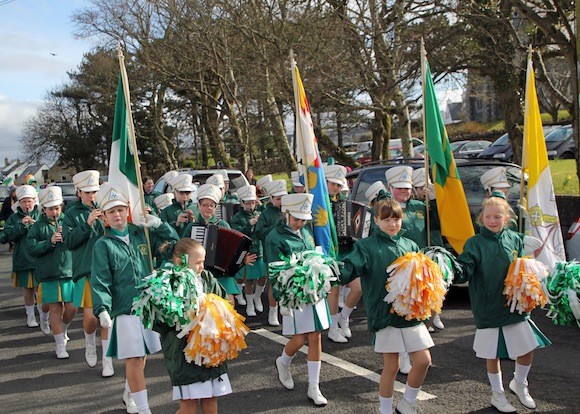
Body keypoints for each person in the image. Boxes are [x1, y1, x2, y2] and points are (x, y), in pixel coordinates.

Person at [455, 194, 550, 413]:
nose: (492, 220)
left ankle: (520, 383)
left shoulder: (515, 239)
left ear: (506, 218)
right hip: (488, 305)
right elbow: (465, 269)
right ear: (482, 218)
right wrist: (452, 270)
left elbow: (527, 267)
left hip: (514, 305)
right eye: (488, 216)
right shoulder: (474, 243)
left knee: (527, 346)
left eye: (497, 216)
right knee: (492, 352)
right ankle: (497, 394)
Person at [91, 183, 179, 414]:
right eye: (112, 212)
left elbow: (173, 249)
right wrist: (102, 308)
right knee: (134, 358)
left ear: (127, 210)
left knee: (142, 357)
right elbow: (100, 278)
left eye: (120, 209)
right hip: (125, 308)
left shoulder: (142, 233)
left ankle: (130, 391)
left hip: (148, 306)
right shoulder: (103, 244)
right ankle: (144, 408)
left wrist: (161, 225)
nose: (117, 215)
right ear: (105, 217)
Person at [340, 198, 433, 414]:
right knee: (392, 367)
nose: (392, 224)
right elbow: (350, 268)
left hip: (411, 315)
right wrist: (334, 271)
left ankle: (407, 402)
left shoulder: (410, 245)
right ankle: (385, 410)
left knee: (423, 360)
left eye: (396, 219)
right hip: (384, 314)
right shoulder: (366, 246)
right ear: (375, 221)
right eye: (387, 220)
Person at [266, 193, 330, 406]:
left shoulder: (307, 231)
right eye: (296, 219)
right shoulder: (274, 237)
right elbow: (275, 270)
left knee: (316, 336)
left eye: (303, 220)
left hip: (314, 290)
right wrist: (281, 295)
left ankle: (314, 386)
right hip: (294, 293)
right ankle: (283, 361)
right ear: (286, 214)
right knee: (300, 338)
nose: (300, 223)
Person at [155, 238, 231, 414]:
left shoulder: (206, 277)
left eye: (203, 261)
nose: (202, 267)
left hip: (209, 353)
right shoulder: (168, 282)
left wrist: (215, 309)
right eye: (198, 263)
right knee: (189, 407)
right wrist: (187, 316)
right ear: (181, 260)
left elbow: (225, 300)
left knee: (210, 402)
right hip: (184, 354)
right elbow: (160, 321)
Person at [61, 170, 113, 375]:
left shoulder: (106, 207)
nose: (92, 195)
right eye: (88, 192)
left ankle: (107, 360)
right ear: (79, 192)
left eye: (95, 191)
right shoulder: (72, 214)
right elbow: (69, 242)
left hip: (108, 270)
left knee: (107, 319)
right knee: (91, 317)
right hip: (86, 269)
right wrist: (87, 223)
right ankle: (90, 344)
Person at [27, 186, 77, 359]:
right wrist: (49, 241)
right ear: (44, 209)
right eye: (50, 209)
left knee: (71, 308)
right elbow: (31, 248)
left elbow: (78, 241)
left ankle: (63, 331)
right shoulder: (37, 227)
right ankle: (59, 345)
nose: (54, 212)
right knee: (55, 309)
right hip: (48, 274)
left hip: (69, 271)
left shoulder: (69, 221)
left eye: (57, 208)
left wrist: (69, 236)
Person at [323, 164, 362, 344]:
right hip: (329, 251)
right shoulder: (320, 202)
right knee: (334, 289)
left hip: (347, 251)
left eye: (339, 185)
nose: (336, 188)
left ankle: (344, 318)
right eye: (333, 184)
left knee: (358, 286)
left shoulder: (344, 203)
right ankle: (332, 328)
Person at [183, 184, 240, 303]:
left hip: (222, 274)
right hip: (201, 273)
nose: (208, 208)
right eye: (205, 205)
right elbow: (183, 249)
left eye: (211, 205)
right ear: (198, 206)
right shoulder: (192, 227)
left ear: (216, 207)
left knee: (229, 305)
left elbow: (232, 248)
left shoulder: (223, 225)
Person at [0, 185, 44, 328]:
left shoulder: (41, 214)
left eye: (29, 201)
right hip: (23, 259)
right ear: (19, 203)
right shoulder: (13, 218)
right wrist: (21, 225)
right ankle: (30, 316)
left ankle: (44, 316)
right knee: (28, 289)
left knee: (41, 289)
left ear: (34, 201)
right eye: (24, 201)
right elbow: (5, 237)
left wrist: (35, 225)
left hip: (40, 258)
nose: (27, 204)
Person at [412, 167, 444, 333]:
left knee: (437, 281)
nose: (423, 191)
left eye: (426, 188)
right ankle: (425, 314)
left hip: (434, 244)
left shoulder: (432, 204)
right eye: (420, 188)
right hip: (420, 247)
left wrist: (433, 202)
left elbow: (440, 223)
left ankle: (435, 311)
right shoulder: (413, 207)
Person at [254, 179, 288, 326]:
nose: (281, 202)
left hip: (288, 250)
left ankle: (287, 308)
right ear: (271, 198)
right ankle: (272, 312)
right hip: (272, 252)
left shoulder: (289, 210)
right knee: (274, 283)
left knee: (289, 281)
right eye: (278, 198)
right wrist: (276, 228)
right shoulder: (266, 213)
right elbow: (259, 232)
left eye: (283, 198)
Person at [231, 185, 265, 317]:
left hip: (260, 249)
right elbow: (236, 234)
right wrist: (248, 225)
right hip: (247, 251)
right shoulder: (237, 217)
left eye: (253, 202)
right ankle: (250, 304)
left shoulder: (259, 213)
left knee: (263, 276)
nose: (251, 205)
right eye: (248, 203)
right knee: (249, 279)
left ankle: (258, 297)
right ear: (241, 203)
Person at [160, 174, 198, 238]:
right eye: (181, 193)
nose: (185, 196)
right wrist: (176, 224)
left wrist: (192, 221)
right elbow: (161, 231)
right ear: (175, 192)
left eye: (187, 193)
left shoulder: (196, 209)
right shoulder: (166, 211)